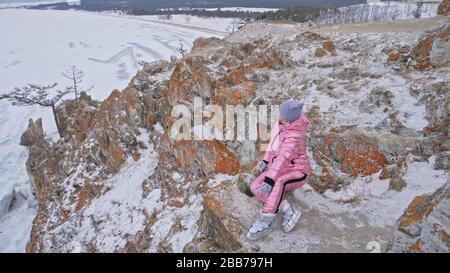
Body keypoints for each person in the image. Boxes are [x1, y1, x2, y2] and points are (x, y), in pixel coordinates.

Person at [247, 100, 311, 240]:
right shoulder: (283, 126)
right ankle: (287, 208)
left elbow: (282, 158)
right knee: (255, 186)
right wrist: (264, 161)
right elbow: (274, 146)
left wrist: (270, 179)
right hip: (281, 168)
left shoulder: (295, 136)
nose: (279, 114)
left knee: (279, 182)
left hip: (298, 171)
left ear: (289, 116)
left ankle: (266, 220)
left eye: (282, 113)